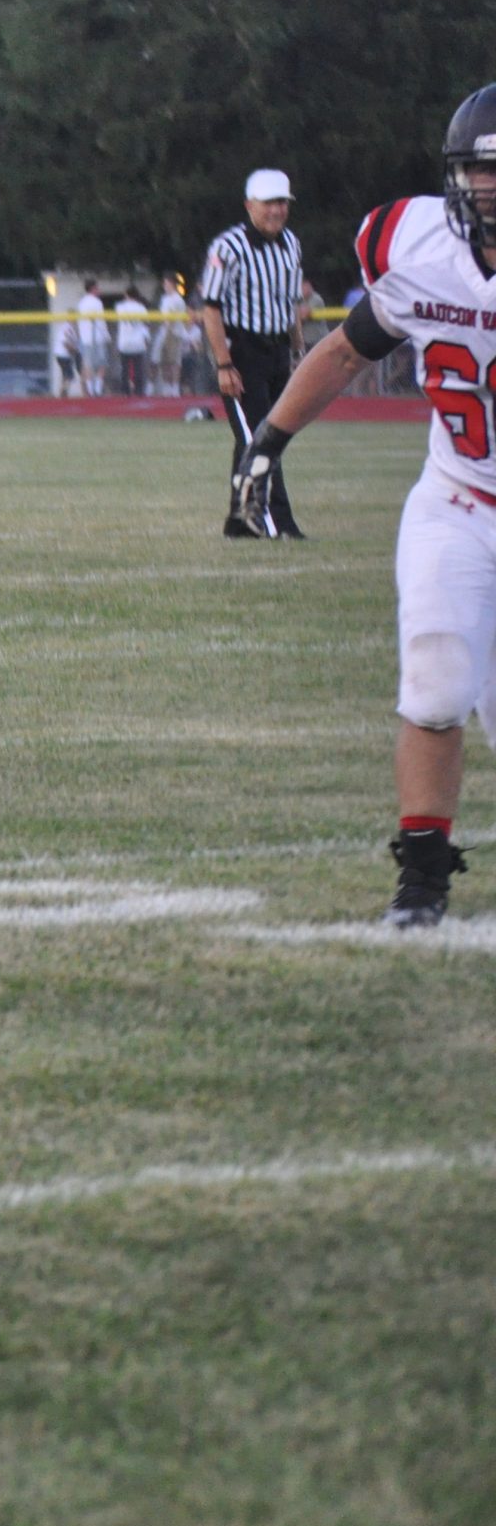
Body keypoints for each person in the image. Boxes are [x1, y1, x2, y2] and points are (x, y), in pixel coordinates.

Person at [230, 85, 496, 927]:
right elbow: (346, 351)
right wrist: (266, 440)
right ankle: (421, 884)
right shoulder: (416, 246)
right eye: (477, 175)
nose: (487, 193)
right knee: (435, 680)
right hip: (457, 497)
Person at [204, 168, 308, 537]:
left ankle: (240, 523)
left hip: (278, 349)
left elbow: (292, 302)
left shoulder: (291, 243)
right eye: (269, 203)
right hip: (243, 351)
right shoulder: (228, 247)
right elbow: (211, 308)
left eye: (282, 202)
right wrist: (224, 364)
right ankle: (278, 523)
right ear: (250, 206)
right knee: (259, 439)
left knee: (262, 437)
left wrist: (297, 353)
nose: (277, 210)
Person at [154, 273, 194, 397]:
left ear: (172, 284)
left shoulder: (178, 299)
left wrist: (170, 330)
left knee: (174, 361)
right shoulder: (164, 299)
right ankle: (167, 386)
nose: (164, 286)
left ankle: (175, 387)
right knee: (163, 360)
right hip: (164, 332)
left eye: (166, 283)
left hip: (174, 333)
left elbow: (175, 318)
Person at [113, 282, 151, 395]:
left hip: (124, 342)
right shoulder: (141, 308)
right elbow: (146, 324)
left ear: (126, 295)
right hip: (138, 342)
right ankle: (139, 391)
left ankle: (126, 392)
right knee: (138, 369)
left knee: (125, 369)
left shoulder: (120, 307)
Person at [74, 280, 109, 397]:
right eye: (97, 288)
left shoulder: (81, 303)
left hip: (85, 338)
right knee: (101, 363)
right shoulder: (97, 302)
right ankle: (97, 389)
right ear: (93, 288)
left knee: (88, 364)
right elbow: (101, 321)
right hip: (97, 337)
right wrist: (106, 335)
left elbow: (79, 322)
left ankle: (90, 390)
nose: (99, 290)